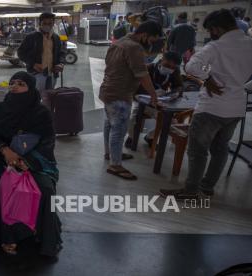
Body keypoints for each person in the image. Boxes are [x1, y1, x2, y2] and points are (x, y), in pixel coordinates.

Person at [160, 9, 252, 200]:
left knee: (197, 151)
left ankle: (191, 190)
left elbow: (191, 67)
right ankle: (207, 187)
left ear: (217, 28)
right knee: (221, 149)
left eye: (211, 30)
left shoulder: (216, 47)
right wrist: (240, 87)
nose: (211, 34)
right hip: (236, 107)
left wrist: (208, 76)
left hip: (212, 107)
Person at [0, 71, 62, 257]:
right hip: (0, 158)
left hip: (34, 161)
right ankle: (2, 235)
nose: (14, 86)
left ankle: (40, 233)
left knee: (45, 189)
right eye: (12, 82)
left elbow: (47, 141)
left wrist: (26, 161)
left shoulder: (41, 113)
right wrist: (5, 151)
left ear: (31, 89)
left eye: (21, 83)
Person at [99, 21, 162, 181]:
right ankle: (115, 165)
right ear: (144, 35)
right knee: (118, 130)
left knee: (109, 125)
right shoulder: (134, 47)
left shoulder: (120, 41)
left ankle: (110, 153)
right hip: (120, 94)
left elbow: (108, 63)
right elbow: (142, 74)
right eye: (152, 40)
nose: (151, 44)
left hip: (107, 90)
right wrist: (154, 95)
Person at [126, 51, 184, 148]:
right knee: (135, 117)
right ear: (161, 60)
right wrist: (149, 95)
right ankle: (131, 137)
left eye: (173, 67)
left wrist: (175, 93)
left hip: (160, 102)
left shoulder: (174, 72)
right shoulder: (148, 69)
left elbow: (178, 86)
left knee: (170, 121)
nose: (169, 69)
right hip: (142, 100)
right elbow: (134, 90)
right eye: (167, 65)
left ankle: (150, 137)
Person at [17, 12, 66, 92]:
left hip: (52, 74)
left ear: (53, 23)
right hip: (36, 74)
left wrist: (61, 63)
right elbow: (20, 53)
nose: (47, 25)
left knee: (50, 96)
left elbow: (61, 53)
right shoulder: (31, 37)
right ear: (40, 23)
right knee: (36, 96)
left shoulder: (56, 37)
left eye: (50, 23)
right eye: (44, 23)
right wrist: (33, 64)